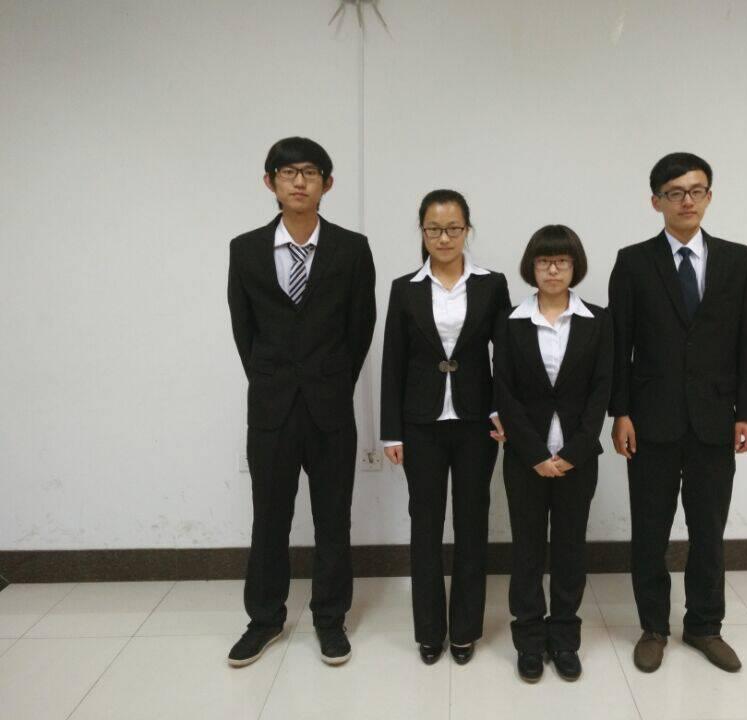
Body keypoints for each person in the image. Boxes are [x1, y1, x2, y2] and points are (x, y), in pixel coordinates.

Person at [607, 152, 747, 674]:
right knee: (650, 532)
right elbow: (620, 344)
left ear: (709, 197)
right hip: (650, 421)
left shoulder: (739, 260)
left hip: (715, 418)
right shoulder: (633, 262)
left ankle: (704, 626)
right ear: (657, 202)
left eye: (696, 191)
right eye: (675, 193)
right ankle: (653, 627)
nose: (687, 200)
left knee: (708, 531)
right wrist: (620, 412)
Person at [226, 137, 376, 667]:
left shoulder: (352, 249)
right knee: (269, 517)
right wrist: (273, 380)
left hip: (330, 406)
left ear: (326, 184)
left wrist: (331, 380)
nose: (298, 181)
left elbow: (360, 326)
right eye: (287, 172)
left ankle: (330, 620)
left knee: (334, 518)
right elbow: (244, 330)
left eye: (309, 172)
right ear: (270, 182)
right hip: (271, 408)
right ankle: (264, 619)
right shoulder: (244, 249)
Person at [380, 189, 510, 665]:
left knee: (472, 525)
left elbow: (507, 354)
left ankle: (465, 629)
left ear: (467, 230)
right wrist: (391, 431)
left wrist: (502, 410)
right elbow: (393, 360)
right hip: (421, 425)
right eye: (434, 229)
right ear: (422, 231)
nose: (444, 237)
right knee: (425, 526)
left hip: (477, 424)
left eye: (453, 228)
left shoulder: (491, 285)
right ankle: (430, 630)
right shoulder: (405, 288)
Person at [494, 226, 613, 682]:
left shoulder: (598, 320)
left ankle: (564, 637)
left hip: (578, 458)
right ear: (532, 266)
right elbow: (504, 391)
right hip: (525, 458)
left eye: (562, 260)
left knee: (569, 548)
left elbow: (601, 389)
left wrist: (576, 451)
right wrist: (533, 452)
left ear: (574, 266)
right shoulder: (510, 321)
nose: (553, 269)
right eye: (544, 261)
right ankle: (528, 638)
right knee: (526, 549)